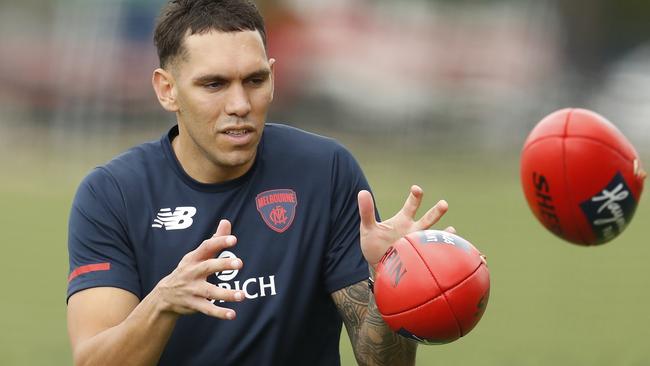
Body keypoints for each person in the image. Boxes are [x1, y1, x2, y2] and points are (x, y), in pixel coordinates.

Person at [66, 1, 451, 365]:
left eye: (254, 80)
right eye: (214, 84)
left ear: (272, 76)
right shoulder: (112, 194)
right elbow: (95, 359)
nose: (240, 104)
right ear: (167, 89)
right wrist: (164, 301)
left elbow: (383, 362)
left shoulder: (325, 170)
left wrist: (392, 286)